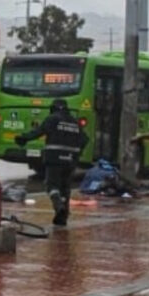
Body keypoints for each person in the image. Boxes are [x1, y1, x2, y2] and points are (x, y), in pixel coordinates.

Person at [17, 96, 89, 227]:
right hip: (70, 160)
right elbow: (85, 139)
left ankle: (58, 205)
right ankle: (63, 216)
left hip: (54, 159)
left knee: (52, 186)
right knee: (65, 188)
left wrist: (23, 138)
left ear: (54, 108)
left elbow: (39, 131)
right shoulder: (75, 122)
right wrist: (77, 153)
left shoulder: (53, 119)